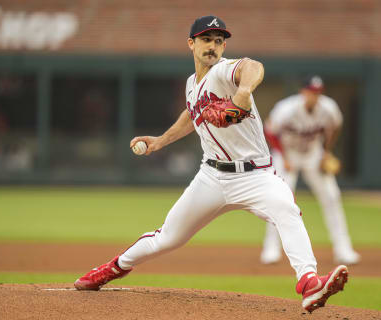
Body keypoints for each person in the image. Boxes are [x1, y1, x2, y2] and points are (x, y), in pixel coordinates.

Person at [74, 16, 348, 313]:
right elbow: (192, 114)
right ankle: (113, 268)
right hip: (212, 178)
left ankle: (309, 283)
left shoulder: (224, 72)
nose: (213, 46)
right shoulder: (193, 84)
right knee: (167, 238)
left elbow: (252, 67)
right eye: (206, 39)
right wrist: (160, 140)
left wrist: (243, 91)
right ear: (191, 43)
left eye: (219, 41)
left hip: (256, 175)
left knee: (287, 209)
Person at [260, 75, 361, 266]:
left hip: (313, 153)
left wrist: (326, 152)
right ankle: (271, 248)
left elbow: (336, 127)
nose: (314, 96)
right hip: (287, 152)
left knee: (331, 196)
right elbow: (270, 130)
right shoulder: (287, 109)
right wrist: (283, 156)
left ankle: (343, 249)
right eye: (310, 92)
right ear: (303, 92)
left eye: (317, 92)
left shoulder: (328, 108)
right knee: (279, 199)